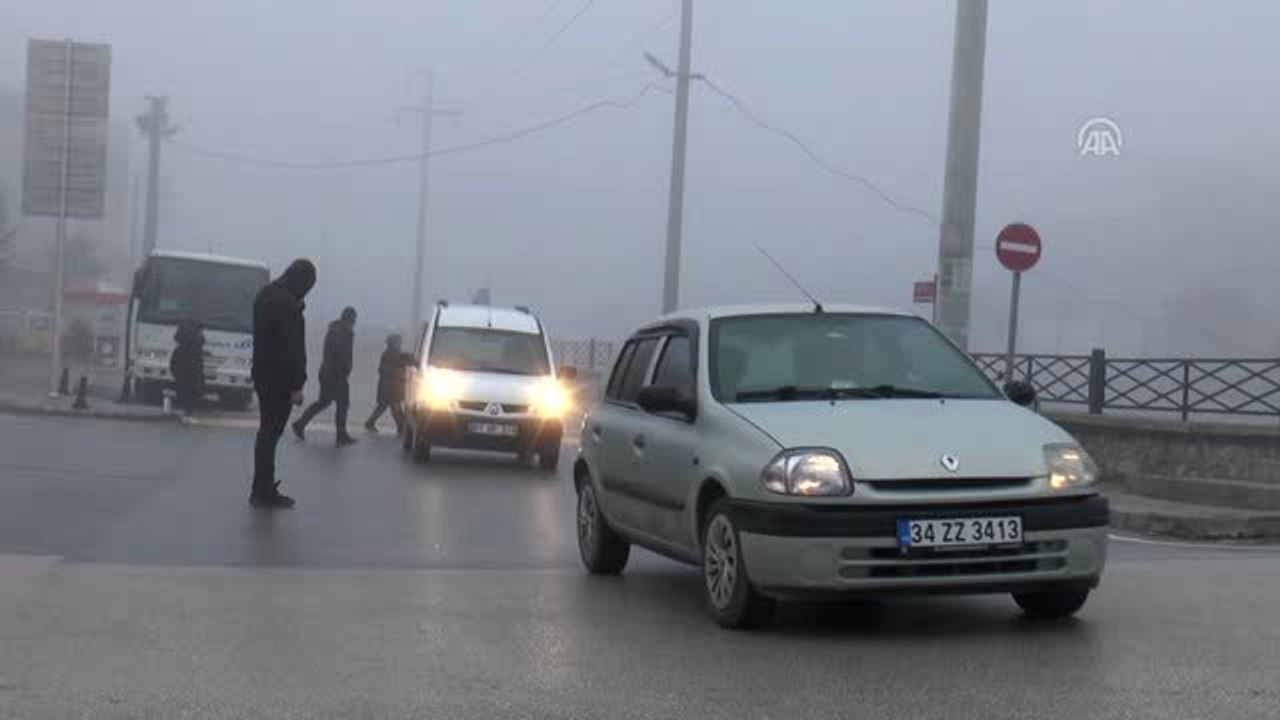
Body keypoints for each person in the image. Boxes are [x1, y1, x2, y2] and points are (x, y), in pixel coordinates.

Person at [250, 258, 316, 509]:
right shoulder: (288, 304)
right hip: (280, 381)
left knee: (265, 432)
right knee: (271, 434)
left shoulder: (265, 295)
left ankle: (261, 487)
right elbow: (292, 349)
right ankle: (263, 491)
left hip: (263, 375)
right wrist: (296, 385)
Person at [292, 306, 358, 446]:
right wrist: (341, 370)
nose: (354, 323)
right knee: (342, 404)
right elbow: (335, 353)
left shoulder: (339, 330)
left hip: (331, 373)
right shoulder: (340, 332)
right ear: (350, 319)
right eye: (354, 319)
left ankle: (300, 424)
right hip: (335, 374)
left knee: (325, 402)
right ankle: (341, 435)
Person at [364, 334, 412, 435]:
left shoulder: (396, 355)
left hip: (391, 387)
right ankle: (401, 427)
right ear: (393, 344)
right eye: (398, 342)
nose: (400, 344)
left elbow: (406, 359)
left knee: (386, 406)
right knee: (394, 407)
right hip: (390, 387)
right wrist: (399, 373)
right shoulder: (388, 355)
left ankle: (371, 423)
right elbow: (384, 370)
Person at [169, 320, 205, 417]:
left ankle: (185, 411)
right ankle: (187, 412)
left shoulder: (180, 349)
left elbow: (174, 363)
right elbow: (199, 365)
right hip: (191, 374)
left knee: (185, 392)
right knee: (190, 394)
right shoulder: (196, 346)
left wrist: (175, 372)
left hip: (184, 374)